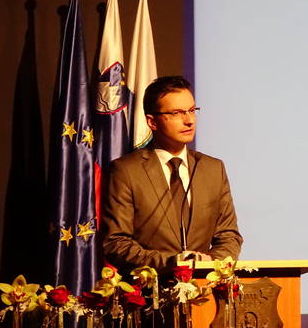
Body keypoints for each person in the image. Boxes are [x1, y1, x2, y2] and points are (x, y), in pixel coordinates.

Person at [101, 75, 243, 272]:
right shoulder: (126, 171)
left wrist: (209, 263)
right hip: (150, 287)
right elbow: (116, 243)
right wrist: (174, 263)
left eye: (192, 110)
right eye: (177, 113)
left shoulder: (212, 169)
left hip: (204, 287)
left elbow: (229, 236)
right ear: (152, 122)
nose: (189, 121)